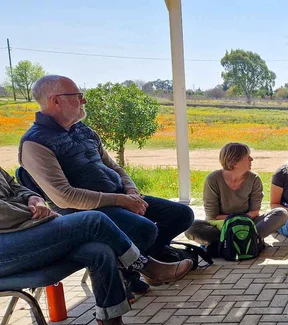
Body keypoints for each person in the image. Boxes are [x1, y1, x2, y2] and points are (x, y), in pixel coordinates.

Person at [18, 75, 195, 296]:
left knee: (182, 214)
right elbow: (64, 197)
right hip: (86, 212)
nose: (84, 101)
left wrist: (131, 191)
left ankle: (138, 265)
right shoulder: (35, 143)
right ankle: (137, 269)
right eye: (78, 96)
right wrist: (120, 200)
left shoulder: (83, 131)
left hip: (120, 197)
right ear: (56, 101)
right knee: (144, 228)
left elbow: (114, 167)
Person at [0, 167, 192, 325]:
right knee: (93, 221)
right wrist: (35, 212)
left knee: (99, 250)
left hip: (24, 228)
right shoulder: (34, 143)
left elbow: (13, 185)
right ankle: (145, 266)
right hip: (7, 246)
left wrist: (34, 199)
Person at [185, 142, 288, 248]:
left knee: (281, 213)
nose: (251, 159)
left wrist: (242, 221)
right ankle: (249, 241)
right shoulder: (213, 179)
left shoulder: (254, 179)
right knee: (191, 227)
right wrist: (235, 221)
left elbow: (254, 212)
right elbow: (213, 216)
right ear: (234, 161)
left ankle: (227, 243)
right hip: (222, 224)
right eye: (247, 157)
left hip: (249, 223)